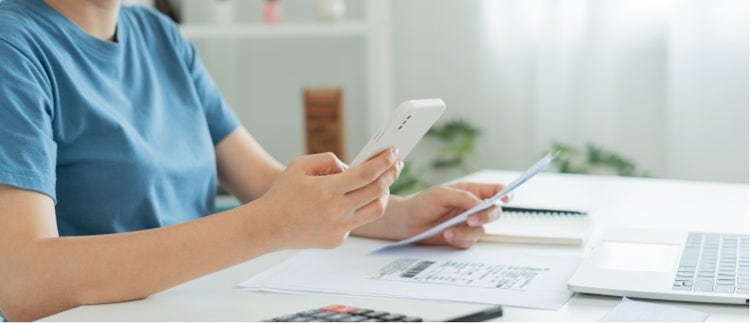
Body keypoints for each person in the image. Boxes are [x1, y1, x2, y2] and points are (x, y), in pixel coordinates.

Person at [0, 0, 508, 321]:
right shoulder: (12, 46)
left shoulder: (159, 36)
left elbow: (263, 182)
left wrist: (402, 216)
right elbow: (23, 284)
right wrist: (265, 228)